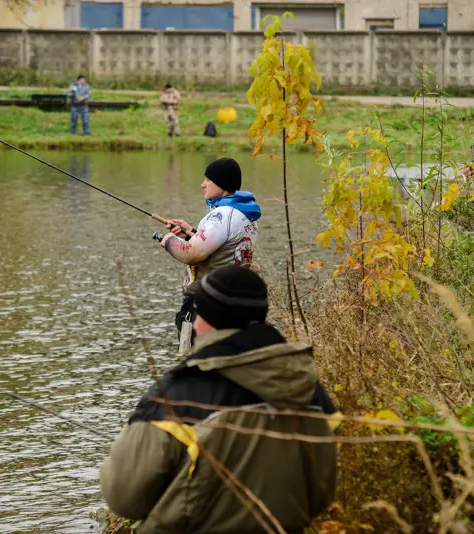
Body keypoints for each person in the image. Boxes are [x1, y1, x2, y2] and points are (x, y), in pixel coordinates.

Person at [100, 266, 338, 534]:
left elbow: (124, 498)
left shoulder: (176, 395)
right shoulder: (306, 388)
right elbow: (323, 489)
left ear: (206, 320)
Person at [160, 157, 260, 348]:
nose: (202, 185)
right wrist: (191, 233)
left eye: (208, 180)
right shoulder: (244, 213)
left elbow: (193, 254)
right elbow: (224, 250)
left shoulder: (222, 215)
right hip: (232, 301)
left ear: (222, 184)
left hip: (208, 305)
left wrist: (169, 241)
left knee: (199, 364)